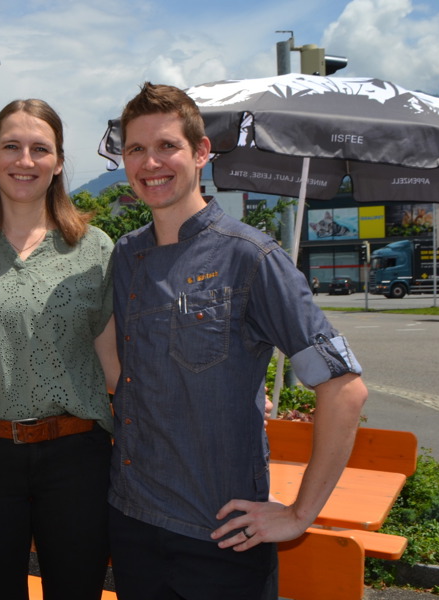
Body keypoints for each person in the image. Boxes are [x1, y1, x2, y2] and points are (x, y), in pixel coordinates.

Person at [104, 82, 368, 599]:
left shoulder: (252, 257)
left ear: (201, 152)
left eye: (167, 146)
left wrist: (298, 514)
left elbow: (345, 388)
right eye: (136, 149)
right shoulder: (126, 255)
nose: (150, 162)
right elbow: (125, 369)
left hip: (221, 536)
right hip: (131, 522)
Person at [0, 99, 117, 600]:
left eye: (41, 149)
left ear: (58, 162)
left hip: (76, 456)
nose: (25, 160)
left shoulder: (94, 248)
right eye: (11, 146)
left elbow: (114, 364)